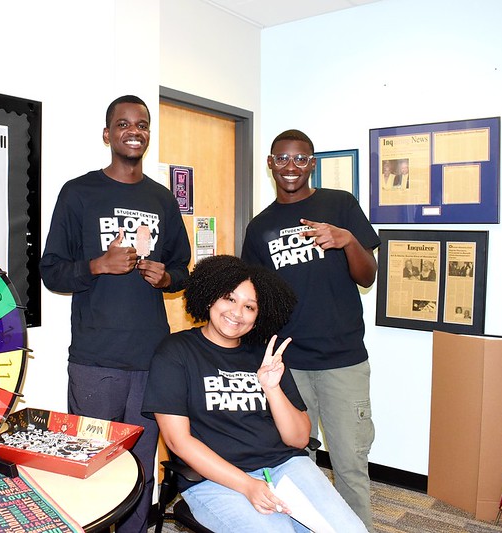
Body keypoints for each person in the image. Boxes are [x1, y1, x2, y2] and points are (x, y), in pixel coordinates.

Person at [39, 95, 191, 533]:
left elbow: (183, 270)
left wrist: (167, 277)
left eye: (142, 124)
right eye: (123, 124)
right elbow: (51, 270)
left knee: (141, 468)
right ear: (107, 135)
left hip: (151, 359)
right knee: (91, 466)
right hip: (96, 360)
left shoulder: (162, 199)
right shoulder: (79, 193)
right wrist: (97, 265)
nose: (134, 131)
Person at [142, 255, 366, 532]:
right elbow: (178, 442)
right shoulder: (176, 352)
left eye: (249, 306)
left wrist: (272, 388)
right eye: (229, 298)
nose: (237, 313)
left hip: (284, 466)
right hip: (214, 480)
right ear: (210, 298)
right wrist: (247, 485)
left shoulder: (265, 355)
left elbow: (298, 439)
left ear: (259, 315)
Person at [242, 129, 380, 530]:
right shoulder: (260, 227)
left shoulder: (340, 204)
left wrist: (347, 240)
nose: (291, 166)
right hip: (290, 365)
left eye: (300, 159)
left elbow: (368, 276)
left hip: (342, 362)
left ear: (312, 164)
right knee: (296, 463)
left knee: (350, 465)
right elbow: (256, 297)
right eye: (282, 158)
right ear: (270, 163)